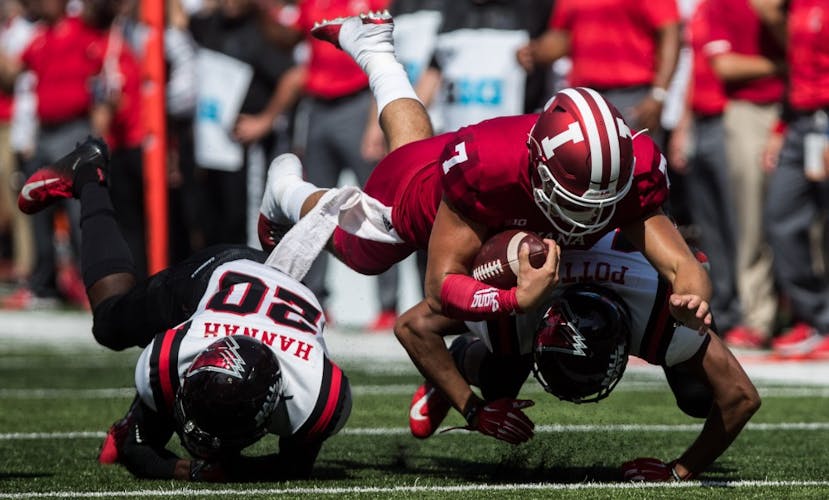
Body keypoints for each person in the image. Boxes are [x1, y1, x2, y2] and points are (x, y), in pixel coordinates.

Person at [257, 10, 712, 439]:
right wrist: (515, 300)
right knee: (368, 250)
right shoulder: (486, 169)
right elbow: (440, 288)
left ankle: (374, 50)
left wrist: (693, 300)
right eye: (577, 200)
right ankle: (287, 189)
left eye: (603, 201)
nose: (591, 217)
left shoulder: (628, 170)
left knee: (412, 145)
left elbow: (682, 268)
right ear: (539, 169)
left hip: (499, 215)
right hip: (426, 199)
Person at [17, 137, 352, 481]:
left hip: (268, 291)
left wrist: (208, 470)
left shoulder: (314, 390)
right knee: (109, 324)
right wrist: (202, 470)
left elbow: (294, 468)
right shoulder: (177, 354)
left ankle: (281, 201)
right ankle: (89, 174)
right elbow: (136, 447)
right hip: (216, 276)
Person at [400, 229, 761, 481]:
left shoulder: (660, 308)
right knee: (498, 384)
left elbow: (740, 397)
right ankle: (457, 362)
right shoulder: (523, 288)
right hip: (544, 278)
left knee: (700, 397)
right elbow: (414, 326)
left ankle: (457, 368)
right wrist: (472, 408)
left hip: (640, 267)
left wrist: (680, 470)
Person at [752, 0, 829, 358]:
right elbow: (798, 67)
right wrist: (781, 127)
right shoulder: (797, 6)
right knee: (780, 216)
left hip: (825, 120)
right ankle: (815, 318)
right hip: (800, 121)